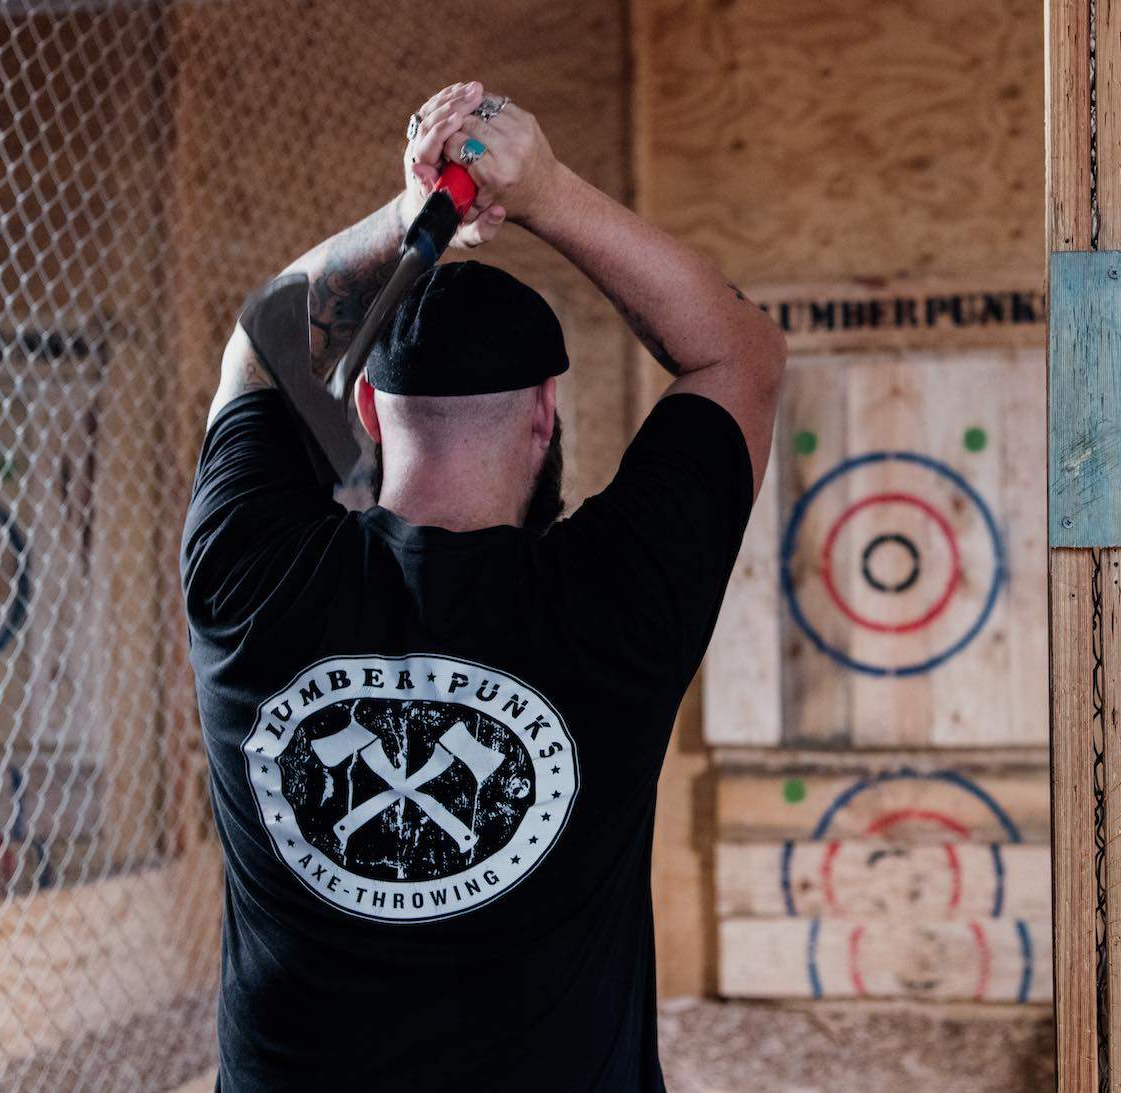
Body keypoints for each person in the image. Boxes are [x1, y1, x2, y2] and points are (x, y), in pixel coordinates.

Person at [180, 79, 785, 1091]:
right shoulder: (615, 598)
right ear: (546, 411)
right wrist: (545, 193)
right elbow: (739, 354)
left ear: (367, 410)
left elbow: (266, 342)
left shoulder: (249, 578)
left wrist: (417, 209)